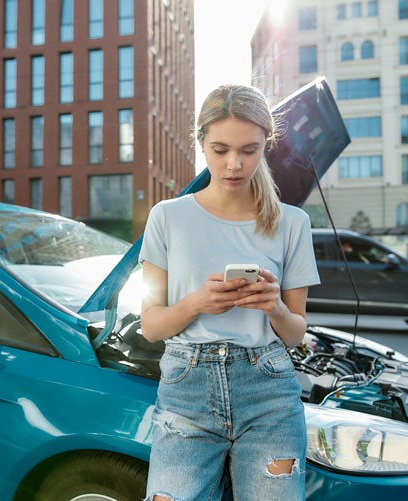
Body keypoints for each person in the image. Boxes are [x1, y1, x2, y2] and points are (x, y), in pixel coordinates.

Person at [139, 84, 320, 501]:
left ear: (265, 147)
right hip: (186, 394)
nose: (234, 164)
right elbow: (150, 326)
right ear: (200, 142)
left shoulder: (292, 223)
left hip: (269, 394)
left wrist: (274, 307)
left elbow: (295, 334)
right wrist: (196, 303)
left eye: (249, 150)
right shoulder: (167, 217)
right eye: (220, 149)